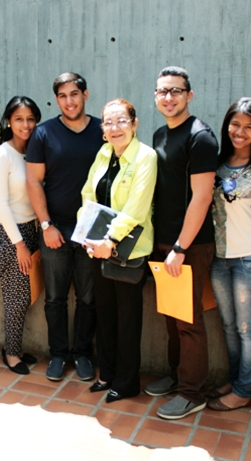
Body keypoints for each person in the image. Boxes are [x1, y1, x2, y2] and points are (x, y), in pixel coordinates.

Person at [144, 66, 219, 420]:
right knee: (172, 317)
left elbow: (202, 197)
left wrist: (180, 247)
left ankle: (193, 392)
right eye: (162, 91)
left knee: (189, 321)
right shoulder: (160, 133)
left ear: (190, 95)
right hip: (163, 243)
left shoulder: (200, 137)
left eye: (176, 91)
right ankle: (177, 377)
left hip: (189, 246)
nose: (168, 97)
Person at [26, 72, 104, 382]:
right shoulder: (44, 133)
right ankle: (58, 354)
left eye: (74, 94)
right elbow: (33, 180)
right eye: (62, 96)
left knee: (88, 298)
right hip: (55, 228)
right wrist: (45, 224)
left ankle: (83, 353)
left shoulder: (102, 130)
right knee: (55, 297)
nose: (69, 101)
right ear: (56, 99)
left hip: (92, 230)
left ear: (86, 94)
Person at [81, 99, 156, 402]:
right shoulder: (103, 154)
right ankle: (107, 374)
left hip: (128, 250)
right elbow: (88, 195)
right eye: (108, 122)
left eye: (121, 121)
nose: (115, 128)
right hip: (98, 248)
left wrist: (109, 241)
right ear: (102, 129)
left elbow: (136, 208)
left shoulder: (146, 157)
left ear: (134, 124)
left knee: (127, 320)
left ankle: (126, 383)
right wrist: (86, 234)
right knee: (106, 315)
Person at [207, 98, 251, 411]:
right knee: (228, 326)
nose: (240, 132)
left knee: (248, 330)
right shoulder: (218, 163)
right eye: (235, 124)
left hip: (250, 259)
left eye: (249, 127)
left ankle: (244, 390)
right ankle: (235, 381)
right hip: (220, 259)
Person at [0, 96, 42, 374]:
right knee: (16, 297)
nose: (26, 124)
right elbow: (1, 205)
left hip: (32, 228)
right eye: (19, 119)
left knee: (27, 292)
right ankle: (11, 353)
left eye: (31, 118)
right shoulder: (2, 154)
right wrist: (20, 245)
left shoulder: (33, 151)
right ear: (9, 121)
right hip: (12, 233)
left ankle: (16, 347)